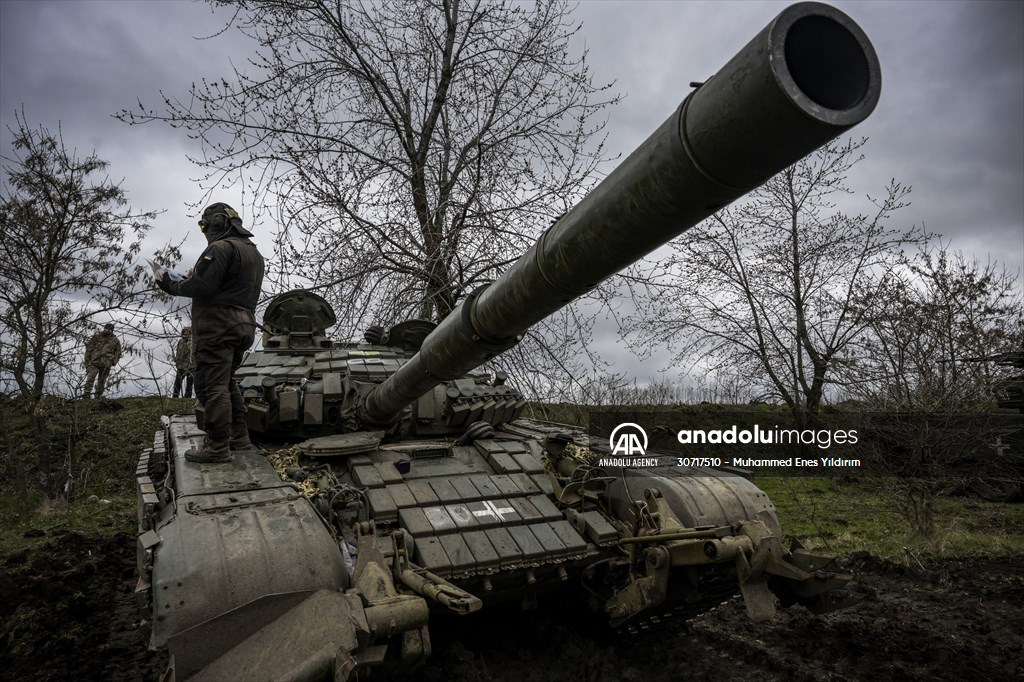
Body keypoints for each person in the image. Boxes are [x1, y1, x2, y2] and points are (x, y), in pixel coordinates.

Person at [157, 202, 265, 463]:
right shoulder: (253, 252)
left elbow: (202, 285)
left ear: (218, 222)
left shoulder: (220, 247)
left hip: (217, 326)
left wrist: (170, 284)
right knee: (227, 383)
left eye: (205, 224)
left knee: (211, 386)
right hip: (243, 324)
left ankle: (217, 447)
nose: (205, 230)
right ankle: (240, 439)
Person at [83, 323, 122, 399]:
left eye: (110, 329)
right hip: (94, 361)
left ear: (112, 330)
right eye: (106, 328)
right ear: (104, 328)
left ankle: (98, 396)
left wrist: (113, 362)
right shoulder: (96, 337)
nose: (107, 330)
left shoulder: (115, 341)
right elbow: (88, 349)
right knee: (90, 378)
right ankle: (86, 395)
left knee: (102, 381)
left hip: (106, 363)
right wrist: (87, 362)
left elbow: (118, 353)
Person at [172, 326, 194, 399]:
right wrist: (177, 362)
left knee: (189, 383)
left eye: (188, 332)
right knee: (177, 382)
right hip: (180, 366)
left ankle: (187, 397)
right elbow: (178, 352)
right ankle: (175, 396)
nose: (186, 333)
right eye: (185, 331)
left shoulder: (192, 342)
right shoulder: (180, 341)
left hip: (191, 366)